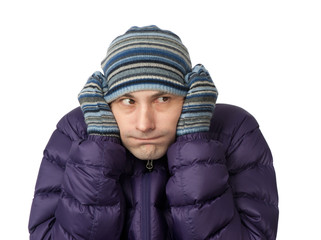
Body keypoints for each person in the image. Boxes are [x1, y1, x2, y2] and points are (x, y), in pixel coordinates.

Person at [28, 25, 279, 240]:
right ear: (107, 102)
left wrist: (195, 143)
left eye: (163, 98)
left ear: (189, 96)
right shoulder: (74, 135)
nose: (145, 124)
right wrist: (99, 150)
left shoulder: (234, 132)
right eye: (127, 100)